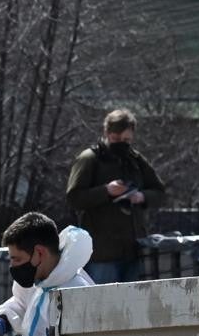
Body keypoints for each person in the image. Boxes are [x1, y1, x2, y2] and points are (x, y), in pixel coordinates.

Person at [65, 109, 165, 284]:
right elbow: (74, 197)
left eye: (126, 140)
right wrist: (106, 191)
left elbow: (159, 192)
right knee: (101, 304)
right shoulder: (90, 159)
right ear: (106, 133)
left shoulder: (135, 160)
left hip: (133, 249)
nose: (121, 144)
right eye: (116, 139)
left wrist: (141, 197)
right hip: (102, 252)